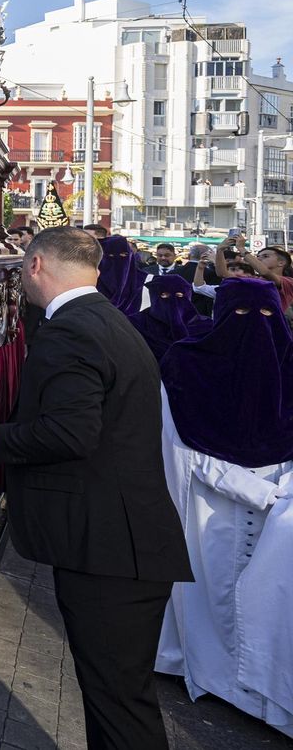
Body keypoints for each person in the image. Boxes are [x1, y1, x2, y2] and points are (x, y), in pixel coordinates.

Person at [0, 226, 191, 750]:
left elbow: (70, 431)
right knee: (117, 699)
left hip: (110, 551)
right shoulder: (105, 318)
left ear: (36, 266)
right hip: (123, 545)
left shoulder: (71, 329)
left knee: (118, 706)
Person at [155, 277, 293, 736]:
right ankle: (212, 674)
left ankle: (262, 692)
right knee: (211, 594)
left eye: (268, 316)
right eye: (240, 316)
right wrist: (260, 493)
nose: (256, 328)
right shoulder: (187, 367)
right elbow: (181, 451)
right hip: (209, 509)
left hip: (282, 509)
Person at [131, 274, 209, 363]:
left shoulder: (204, 327)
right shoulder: (136, 323)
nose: (173, 302)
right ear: (154, 296)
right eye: (164, 295)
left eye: (179, 295)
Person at [95, 233, 144, 316]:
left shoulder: (145, 281)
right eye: (110, 255)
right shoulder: (90, 281)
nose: (117, 258)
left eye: (123, 254)